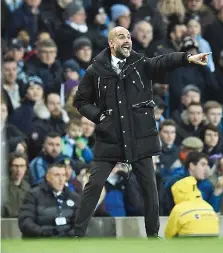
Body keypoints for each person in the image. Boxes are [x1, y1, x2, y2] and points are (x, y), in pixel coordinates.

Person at [73, 26, 211, 238]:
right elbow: (80, 101)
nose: (127, 40)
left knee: (150, 188)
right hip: (110, 138)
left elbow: (163, 61)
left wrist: (187, 58)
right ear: (111, 44)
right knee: (94, 186)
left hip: (140, 137)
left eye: (129, 36)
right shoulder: (95, 71)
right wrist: (99, 116)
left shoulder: (141, 64)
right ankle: (77, 234)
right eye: (122, 37)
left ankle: (153, 236)